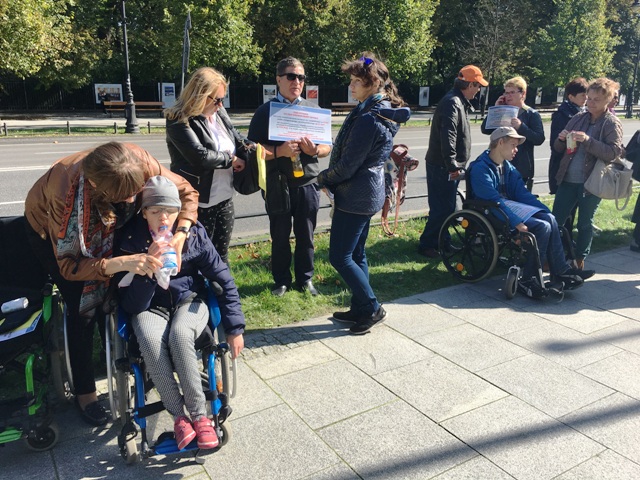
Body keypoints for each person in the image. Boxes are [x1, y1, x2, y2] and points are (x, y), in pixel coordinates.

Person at [24, 142, 198, 426]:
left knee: (124, 291)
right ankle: (85, 392)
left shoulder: (139, 161)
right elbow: (71, 266)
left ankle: (136, 359)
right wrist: (119, 264)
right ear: (98, 187)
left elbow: (186, 192)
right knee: (82, 306)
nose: (132, 201)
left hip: (107, 214)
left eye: (135, 193)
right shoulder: (63, 191)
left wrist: (180, 234)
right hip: (51, 230)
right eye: (125, 197)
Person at [115, 176, 245, 450]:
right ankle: (179, 418)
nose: (164, 218)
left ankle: (200, 417)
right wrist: (147, 268)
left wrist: (235, 329)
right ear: (143, 211)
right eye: (155, 211)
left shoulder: (193, 234)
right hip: (150, 305)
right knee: (149, 340)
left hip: (189, 299)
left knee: (180, 334)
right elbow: (131, 304)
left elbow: (224, 278)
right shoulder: (130, 238)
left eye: (171, 211)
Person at [317, 52, 410, 335]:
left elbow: (348, 166)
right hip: (365, 193)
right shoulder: (376, 109)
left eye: (357, 81)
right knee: (356, 254)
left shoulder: (370, 117)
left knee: (340, 257)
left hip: (356, 194)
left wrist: (321, 178)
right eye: (352, 81)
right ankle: (359, 308)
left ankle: (371, 307)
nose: (352, 86)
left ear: (373, 83)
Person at [469, 127, 594, 294]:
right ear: (500, 143)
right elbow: (494, 201)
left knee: (550, 219)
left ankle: (561, 271)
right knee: (543, 227)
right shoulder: (480, 168)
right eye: (513, 145)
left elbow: (522, 193)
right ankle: (530, 278)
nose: (516, 149)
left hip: (509, 208)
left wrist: (546, 211)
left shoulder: (508, 168)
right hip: (493, 213)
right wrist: (516, 222)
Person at [248, 57, 331, 297]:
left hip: (307, 183)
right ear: (278, 79)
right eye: (291, 76)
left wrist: (314, 150)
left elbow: (327, 146)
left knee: (307, 235)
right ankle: (281, 281)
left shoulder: (313, 110)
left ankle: (305, 280)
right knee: (280, 235)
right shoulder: (265, 112)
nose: (297, 81)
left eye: (301, 77)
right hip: (278, 184)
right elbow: (252, 149)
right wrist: (278, 152)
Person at [165, 67, 252, 265]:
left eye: (223, 99)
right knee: (194, 256)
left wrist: (251, 146)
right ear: (199, 95)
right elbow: (200, 156)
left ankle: (222, 293)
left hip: (225, 198)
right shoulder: (178, 120)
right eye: (217, 99)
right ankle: (196, 295)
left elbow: (235, 135)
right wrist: (231, 160)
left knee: (220, 255)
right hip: (198, 201)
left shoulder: (218, 113)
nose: (221, 105)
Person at [551, 77, 624, 270]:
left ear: (607, 101)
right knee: (555, 221)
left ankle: (579, 260)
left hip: (592, 183)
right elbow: (558, 148)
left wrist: (587, 140)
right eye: (589, 98)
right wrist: (560, 139)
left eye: (596, 100)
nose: (590, 103)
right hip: (567, 179)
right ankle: (552, 258)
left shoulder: (611, 123)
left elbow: (613, 153)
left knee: (584, 224)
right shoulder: (578, 118)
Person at [418, 65, 488, 258]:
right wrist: (452, 166)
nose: (479, 90)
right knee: (443, 208)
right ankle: (428, 244)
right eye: (477, 85)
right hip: (443, 166)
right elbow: (447, 137)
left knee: (446, 207)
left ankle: (442, 241)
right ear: (470, 84)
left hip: (444, 165)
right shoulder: (453, 102)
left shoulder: (457, 100)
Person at [481, 76, 545, 191]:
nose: (508, 96)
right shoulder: (502, 111)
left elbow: (539, 139)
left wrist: (521, 127)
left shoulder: (531, 114)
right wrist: (495, 110)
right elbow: (485, 130)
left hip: (521, 168)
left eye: (512, 92)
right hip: (499, 165)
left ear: (523, 94)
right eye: (506, 93)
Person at [549, 78, 588, 195]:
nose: (586, 98)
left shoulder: (587, 113)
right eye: (582, 95)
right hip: (563, 166)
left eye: (587, 95)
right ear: (571, 97)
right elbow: (554, 146)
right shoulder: (561, 115)